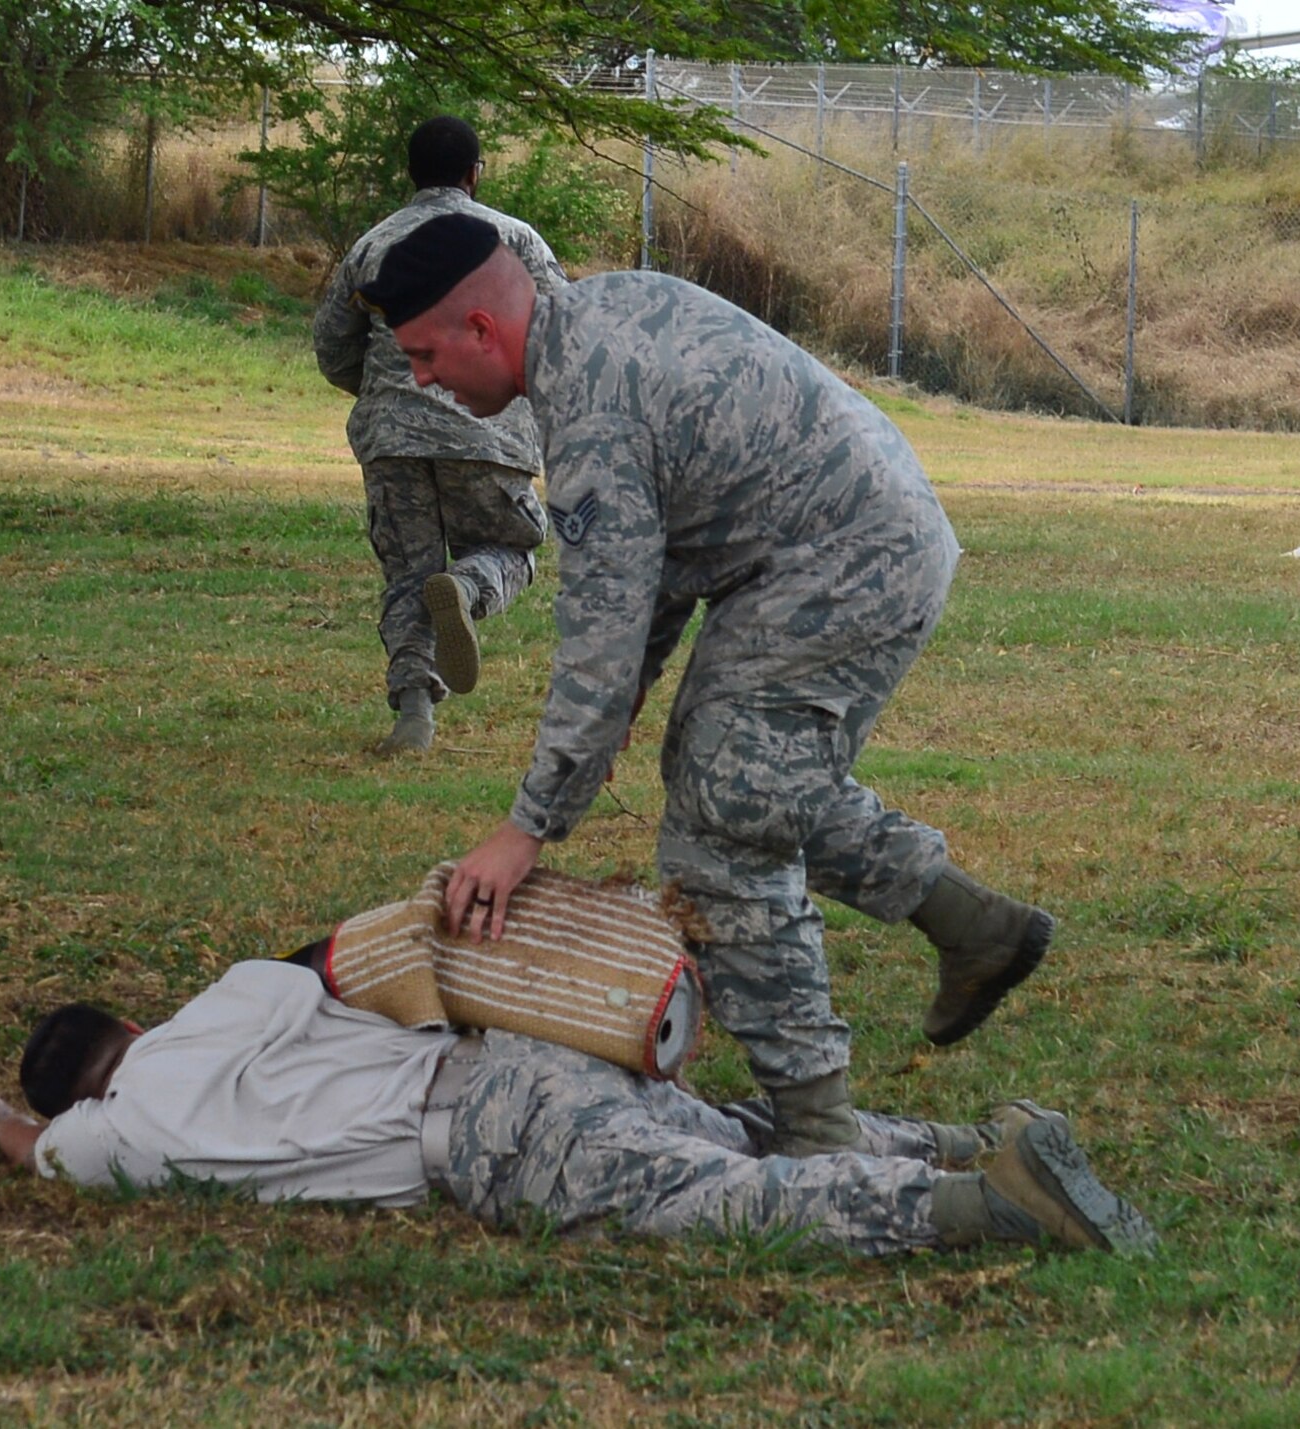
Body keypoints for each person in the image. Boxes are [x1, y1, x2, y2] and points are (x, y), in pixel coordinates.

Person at [349, 213, 1055, 1158]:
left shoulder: (587, 405)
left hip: (841, 558)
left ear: (481, 329)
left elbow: (600, 632)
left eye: (425, 355)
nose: (422, 380)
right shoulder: (599, 319)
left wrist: (528, 826)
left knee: (721, 827)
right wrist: (626, 705)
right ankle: (975, 924)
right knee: (741, 779)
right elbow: (665, 559)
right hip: (854, 538)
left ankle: (819, 1135)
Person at [0, 956, 1158, 1257]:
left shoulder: (111, 1135)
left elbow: (30, 1144)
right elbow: (343, 969)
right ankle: (968, 1135)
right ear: (132, 1020)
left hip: (484, 1147)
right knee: (731, 1129)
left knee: (727, 1200)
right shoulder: (229, 998)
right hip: (523, 1058)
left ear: (81, 1088)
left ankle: (976, 1201)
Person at [312, 116, 569, 754]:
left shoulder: (372, 246)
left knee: (407, 573)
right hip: (489, 438)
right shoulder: (513, 239)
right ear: (474, 174)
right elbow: (565, 333)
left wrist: (385, 396)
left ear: (410, 173)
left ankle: (414, 717)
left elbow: (332, 349)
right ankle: (470, 586)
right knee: (515, 546)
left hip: (392, 441)